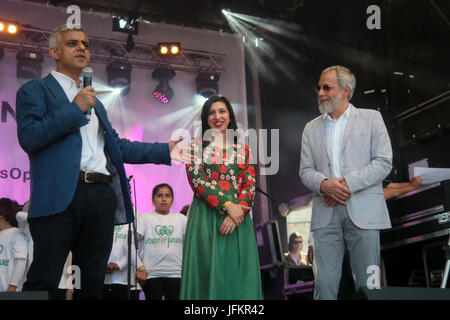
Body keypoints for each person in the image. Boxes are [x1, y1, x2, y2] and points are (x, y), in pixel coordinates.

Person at [16, 24, 189, 300]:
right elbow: (29, 137)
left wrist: (163, 151)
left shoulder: (95, 102)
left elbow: (117, 147)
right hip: (59, 196)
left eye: (85, 44)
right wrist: (75, 108)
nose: (82, 48)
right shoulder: (36, 91)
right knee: (43, 278)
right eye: (73, 43)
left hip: (100, 195)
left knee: (94, 283)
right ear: (54, 52)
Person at [299, 65, 393, 300]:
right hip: (325, 213)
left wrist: (345, 185)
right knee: (325, 286)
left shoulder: (372, 118)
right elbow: (305, 171)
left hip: (364, 210)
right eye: (319, 87)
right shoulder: (310, 128)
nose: (320, 92)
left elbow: (383, 162)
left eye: (327, 87)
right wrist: (325, 185)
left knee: (369, 286)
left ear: (345, 90)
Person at [180, 95, 262, 299]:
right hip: (206, 219)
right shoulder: (195, 148)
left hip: (238, 220)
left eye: (222, 111)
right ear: (205, 118)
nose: (217, 116)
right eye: (211, 112)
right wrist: (227, 205)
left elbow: (249, 186)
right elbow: (198, 183)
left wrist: (238, 210)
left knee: (239, 278)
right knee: (208, 274)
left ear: (230, 116)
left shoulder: (244, 150)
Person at [307, 175, 423, 299]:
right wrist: (411, 186)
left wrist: (413, 184)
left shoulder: (367, 174)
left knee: (361, 284)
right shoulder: (342, 174)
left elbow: (385, 186)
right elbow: (379, 194)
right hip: (335, 236)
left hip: (348, 233)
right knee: (341, 286)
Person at [136, 184, 187, 300]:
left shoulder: (181, 219)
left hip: (176, 273)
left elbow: (191, 245)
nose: (164, 199)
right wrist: (139, 267)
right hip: (151, 273)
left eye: (167, 196)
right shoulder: (144, 218)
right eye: (159, 196)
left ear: (172, 199)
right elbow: (132, 244)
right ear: (153, 199)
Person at [104, 224, 143, 300]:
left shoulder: (134, 216)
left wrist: (119, 264)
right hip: (103, 280)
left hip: (126, 281)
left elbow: (133, 248)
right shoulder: (102, 217)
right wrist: (101, 265)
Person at [0, 198, 28, 292]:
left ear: (1, 216)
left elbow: (21, 261)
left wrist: (12, 287)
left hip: (10, 292)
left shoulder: (16, 234)